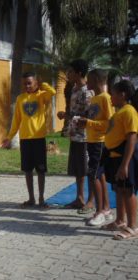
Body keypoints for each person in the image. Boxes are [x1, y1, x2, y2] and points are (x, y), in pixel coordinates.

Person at [2, 72, 56, 208]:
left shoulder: (41, 96)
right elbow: (16, 120)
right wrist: (9, 137)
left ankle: (42, 199)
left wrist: (42, 84)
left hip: (38, 139)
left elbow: (52, 92)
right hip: (25, 140)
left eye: (30, 83)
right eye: (25, 83)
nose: (27, 86)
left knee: (41, 171)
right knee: (27, 170)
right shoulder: (20, 99)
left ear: (36, 83)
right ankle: (31, 198)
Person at [101, 80, 138, 240]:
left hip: (125, 159)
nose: (110, 97)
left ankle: (132, 226)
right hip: (115, 158)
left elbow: (132, 138)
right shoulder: (118, 112)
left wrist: (125, 165)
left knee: (128, 190)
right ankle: (120, 220)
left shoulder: (129, 111)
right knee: (118, 189)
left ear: (122, 94)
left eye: (113, 93)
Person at [77, 69, 114, 226]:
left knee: (94, 176)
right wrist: (84, 123)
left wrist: (89, 123)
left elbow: (110, 123)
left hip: (100, 142)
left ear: (98, 81)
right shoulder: (94, 98)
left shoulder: (105, 98)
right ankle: (105, 209)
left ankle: (99, 211)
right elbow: (94, 120)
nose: (87, 82)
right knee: (99, 176)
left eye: (90, 80)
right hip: (92, 141)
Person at [57, 59, 94, 213]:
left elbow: (88, 115)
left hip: (85, 137)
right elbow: (75, 113)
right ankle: (79, 198)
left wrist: (70, 116)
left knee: (89, 169)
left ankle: (91, 201)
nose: (68, 75)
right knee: (78, 169)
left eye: (70, 72)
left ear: (79, 73)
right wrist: (66, 115)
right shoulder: (74, 90)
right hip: (75, 136)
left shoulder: (87, 92)